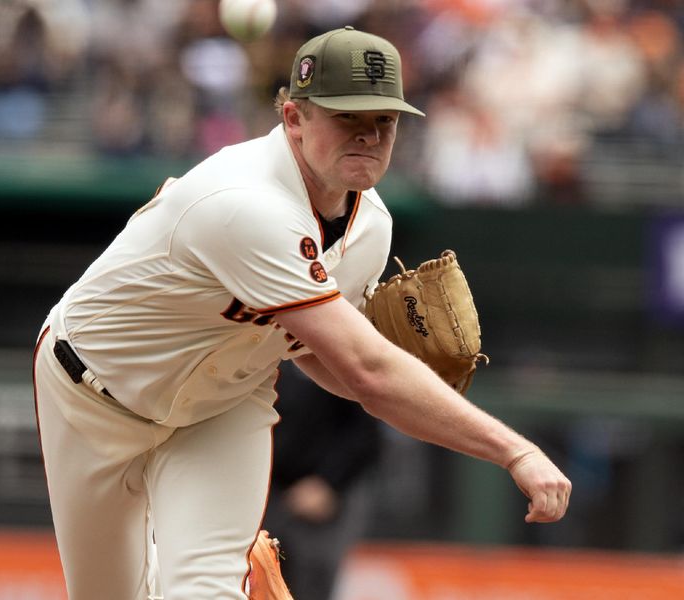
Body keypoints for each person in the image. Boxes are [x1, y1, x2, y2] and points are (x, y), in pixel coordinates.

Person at [32, 26, 571, 600]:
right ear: (294, 118)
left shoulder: (372, 227)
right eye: (347, 118)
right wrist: (514, 448)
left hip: (223, 403)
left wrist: (416, 392)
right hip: (95, 394)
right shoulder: (244, 204)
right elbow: (370, 372)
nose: (369, 135)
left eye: (384, 121)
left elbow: (330, 361)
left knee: (206, 591)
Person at [263, 360, 381, 600]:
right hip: (265, 492)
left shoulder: (334, 356)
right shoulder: (262, 352)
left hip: (321, 499)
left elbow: (365, 435)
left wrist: (328, 482)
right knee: (258, 580)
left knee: (308, 584)